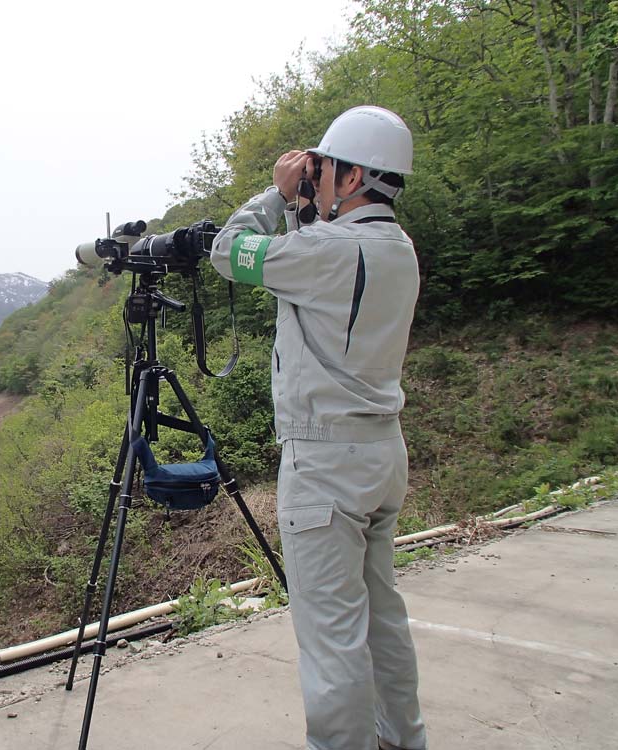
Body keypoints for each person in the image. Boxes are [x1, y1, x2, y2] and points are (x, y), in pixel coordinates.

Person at [209, 105, 427, 750]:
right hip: (381, 454)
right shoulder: (396, 248)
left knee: (331, 634)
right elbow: (313, 256)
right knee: (381, 618)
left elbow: (228, 252)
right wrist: (310, 205)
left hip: (326, 464)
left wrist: (276, 194)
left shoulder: (325, 249)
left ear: (353, 175)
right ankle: (401, 740)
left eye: (326, 167)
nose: (316, 176)